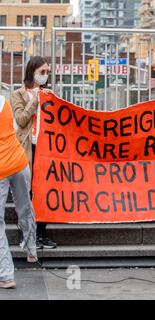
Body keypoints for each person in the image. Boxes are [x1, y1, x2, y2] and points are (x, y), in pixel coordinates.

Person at [11, 56, 57, 249]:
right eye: (42, 72)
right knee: (27, 192)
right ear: (32, 72)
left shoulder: (49, 94)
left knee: (44, 190)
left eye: (47, 72)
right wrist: (36, 100)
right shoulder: (18, 94)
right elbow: (21, 120)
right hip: (27, 149)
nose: (45, 76)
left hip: (46, 148)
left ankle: (41, 233)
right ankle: (28, 235)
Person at [0, 95, 38, 289]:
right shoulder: (3, 101)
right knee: (24, 207)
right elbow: (13, 128)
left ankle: (6, 275)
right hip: (19, 161)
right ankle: (32, 251)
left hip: (1, 169)